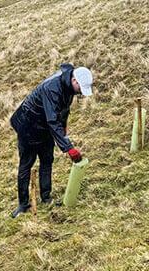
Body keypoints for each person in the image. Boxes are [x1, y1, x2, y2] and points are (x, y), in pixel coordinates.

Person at [10, 64, 93, 218]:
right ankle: (23, 204)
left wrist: (64, 128)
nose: (80, 93)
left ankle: (46, 197)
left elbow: (63, 110)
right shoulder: (52, 88)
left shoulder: (68, 86)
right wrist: (68, 148)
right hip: (28, 126)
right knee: (26, 164)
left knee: (47, 160)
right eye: (80, 89)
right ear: (74, 80)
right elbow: (52, 120)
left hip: (44, 127)